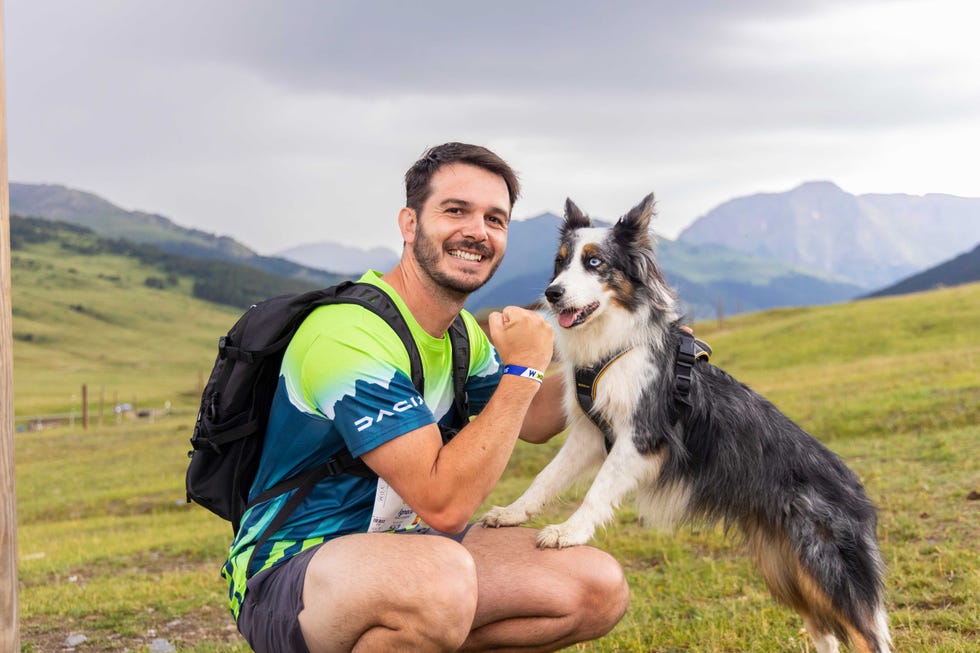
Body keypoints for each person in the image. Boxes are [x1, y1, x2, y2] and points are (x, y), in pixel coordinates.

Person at [222, 142, 630, 652]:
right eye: (455, 210)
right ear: (410, 224)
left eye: (495, 219)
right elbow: (444, 504)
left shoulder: (459, 334)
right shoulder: (348, 337)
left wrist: (624, 365)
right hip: (294, 571)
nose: (477, 231)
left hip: (411, 555)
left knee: (594, 587)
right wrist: (523, 367)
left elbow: (537, 420)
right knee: (439, 581)